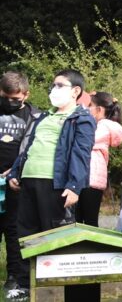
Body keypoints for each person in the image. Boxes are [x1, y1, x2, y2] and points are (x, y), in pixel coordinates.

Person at [6, 69, 96, 301]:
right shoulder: (44, 117)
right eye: (53, 85)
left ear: (75, 91)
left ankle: (54, 287)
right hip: (29, 181)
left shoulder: (82, 118)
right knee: (27, 234)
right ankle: (26, 285)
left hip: (55, 184)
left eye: (59, 85)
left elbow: (81, 153)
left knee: (54, 234)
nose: (53, 90)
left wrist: (75, 185)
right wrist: (16, 172)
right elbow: (28, 148)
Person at [0, 71, 40, 292]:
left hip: (17, 182)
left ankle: (14, 276)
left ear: (26, 94)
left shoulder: (35, 117)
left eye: (14, 99)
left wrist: (16, 170)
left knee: (14, 230)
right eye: (4, 97)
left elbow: (36, 149)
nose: (9, 102)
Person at [78, 91, 122, 226]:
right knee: (84, 219)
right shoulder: (100, 125)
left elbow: (85, 140)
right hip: (89, 177)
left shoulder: (104, 126)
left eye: (89, 105)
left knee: (87, 220)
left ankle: (87, 247)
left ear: (99, 110)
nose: (85, 108)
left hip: (90, 178)